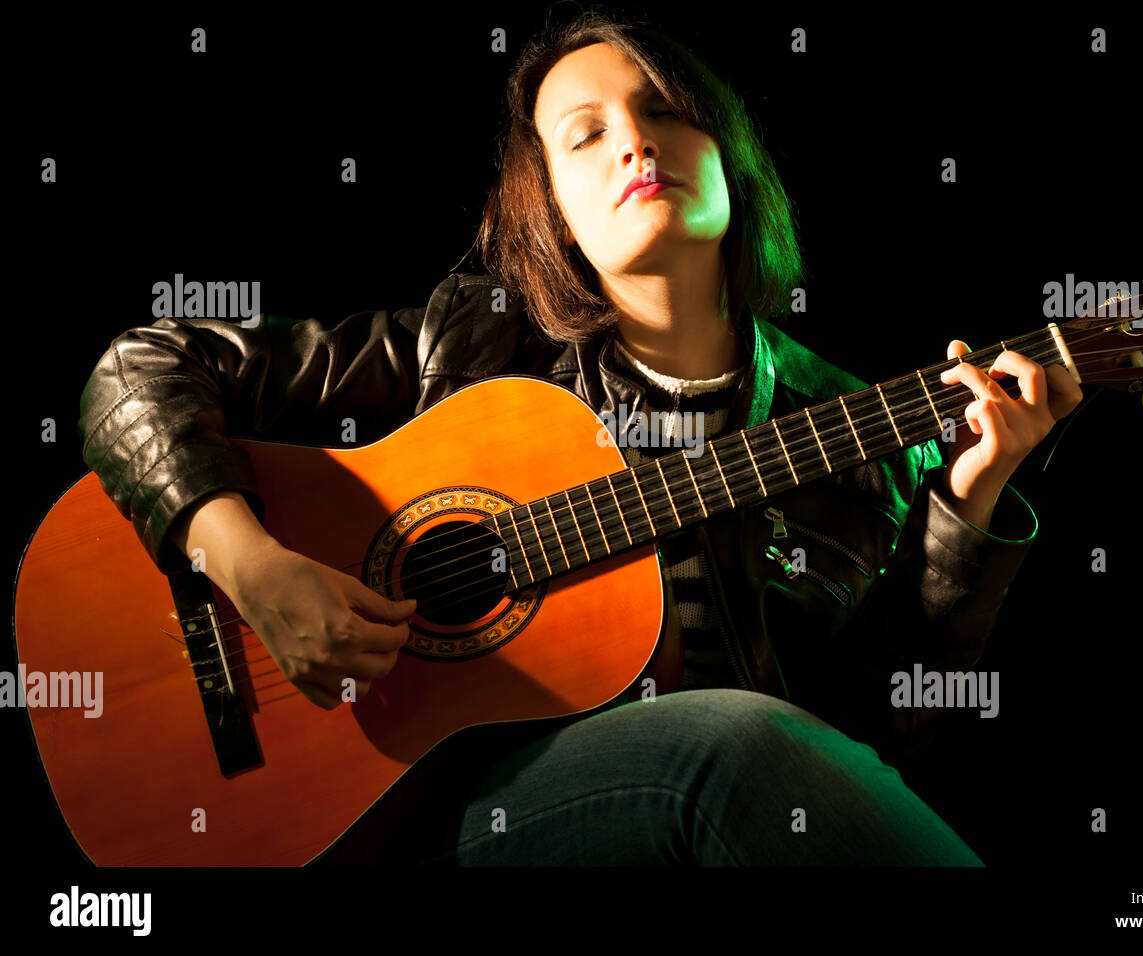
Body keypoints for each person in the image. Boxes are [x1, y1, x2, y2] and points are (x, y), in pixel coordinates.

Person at [77, 12, 1082, 865]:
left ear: (725, 151)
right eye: (585, 134)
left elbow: (863, 748)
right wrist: (248, 564)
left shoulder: (854, 425)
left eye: (662, 110)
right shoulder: (466, 345)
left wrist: (969, 503)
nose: (634, 145)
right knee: (729, 745)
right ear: (550, 208)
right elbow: (140, 370)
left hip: (711, 799)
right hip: (446, 810)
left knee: (745, 749)